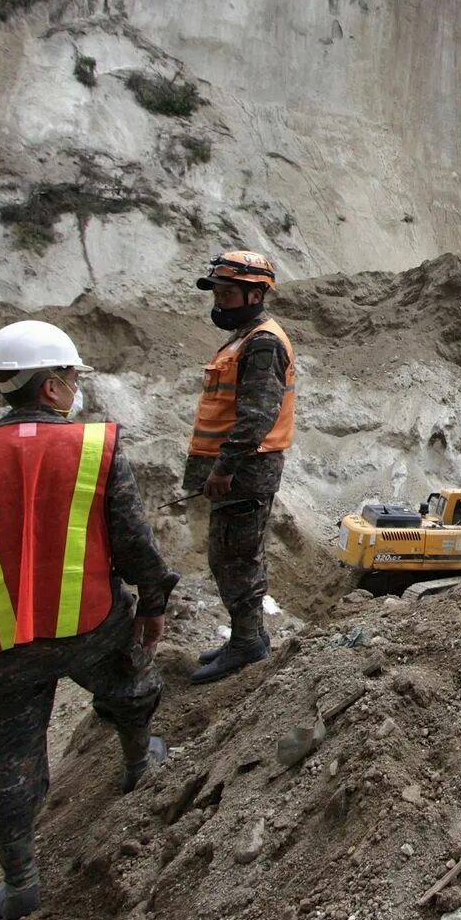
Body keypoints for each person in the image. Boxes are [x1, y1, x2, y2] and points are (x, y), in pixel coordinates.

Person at [0, 320, 176, 920]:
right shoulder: (93, 447)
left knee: (6, 760)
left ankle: (21, 880)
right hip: (91, 622)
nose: (76, 385)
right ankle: (138, 763)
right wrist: (153, 602)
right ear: (52, 386)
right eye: (72, 376)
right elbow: (133, 539)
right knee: (130, 687)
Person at [182, 250, 296, 684]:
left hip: (246, 473)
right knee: (227, 555)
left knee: (237, 558)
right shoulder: (245, 338)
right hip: (238, 472)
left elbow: (255, 417)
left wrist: (224, 468)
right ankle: (245, 638)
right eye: (218, 293)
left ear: (255, 294)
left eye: (228, 294)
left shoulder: (263, 343)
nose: (219, 302)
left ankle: (248, 643)